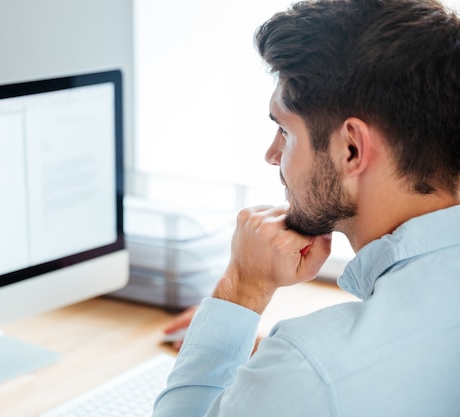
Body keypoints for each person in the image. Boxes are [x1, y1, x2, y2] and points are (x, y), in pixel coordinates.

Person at [151, 0, 460, 416]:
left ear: (351, 149)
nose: (272, 154)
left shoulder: (309, 368)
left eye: (284, 130)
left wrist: (241, 290)